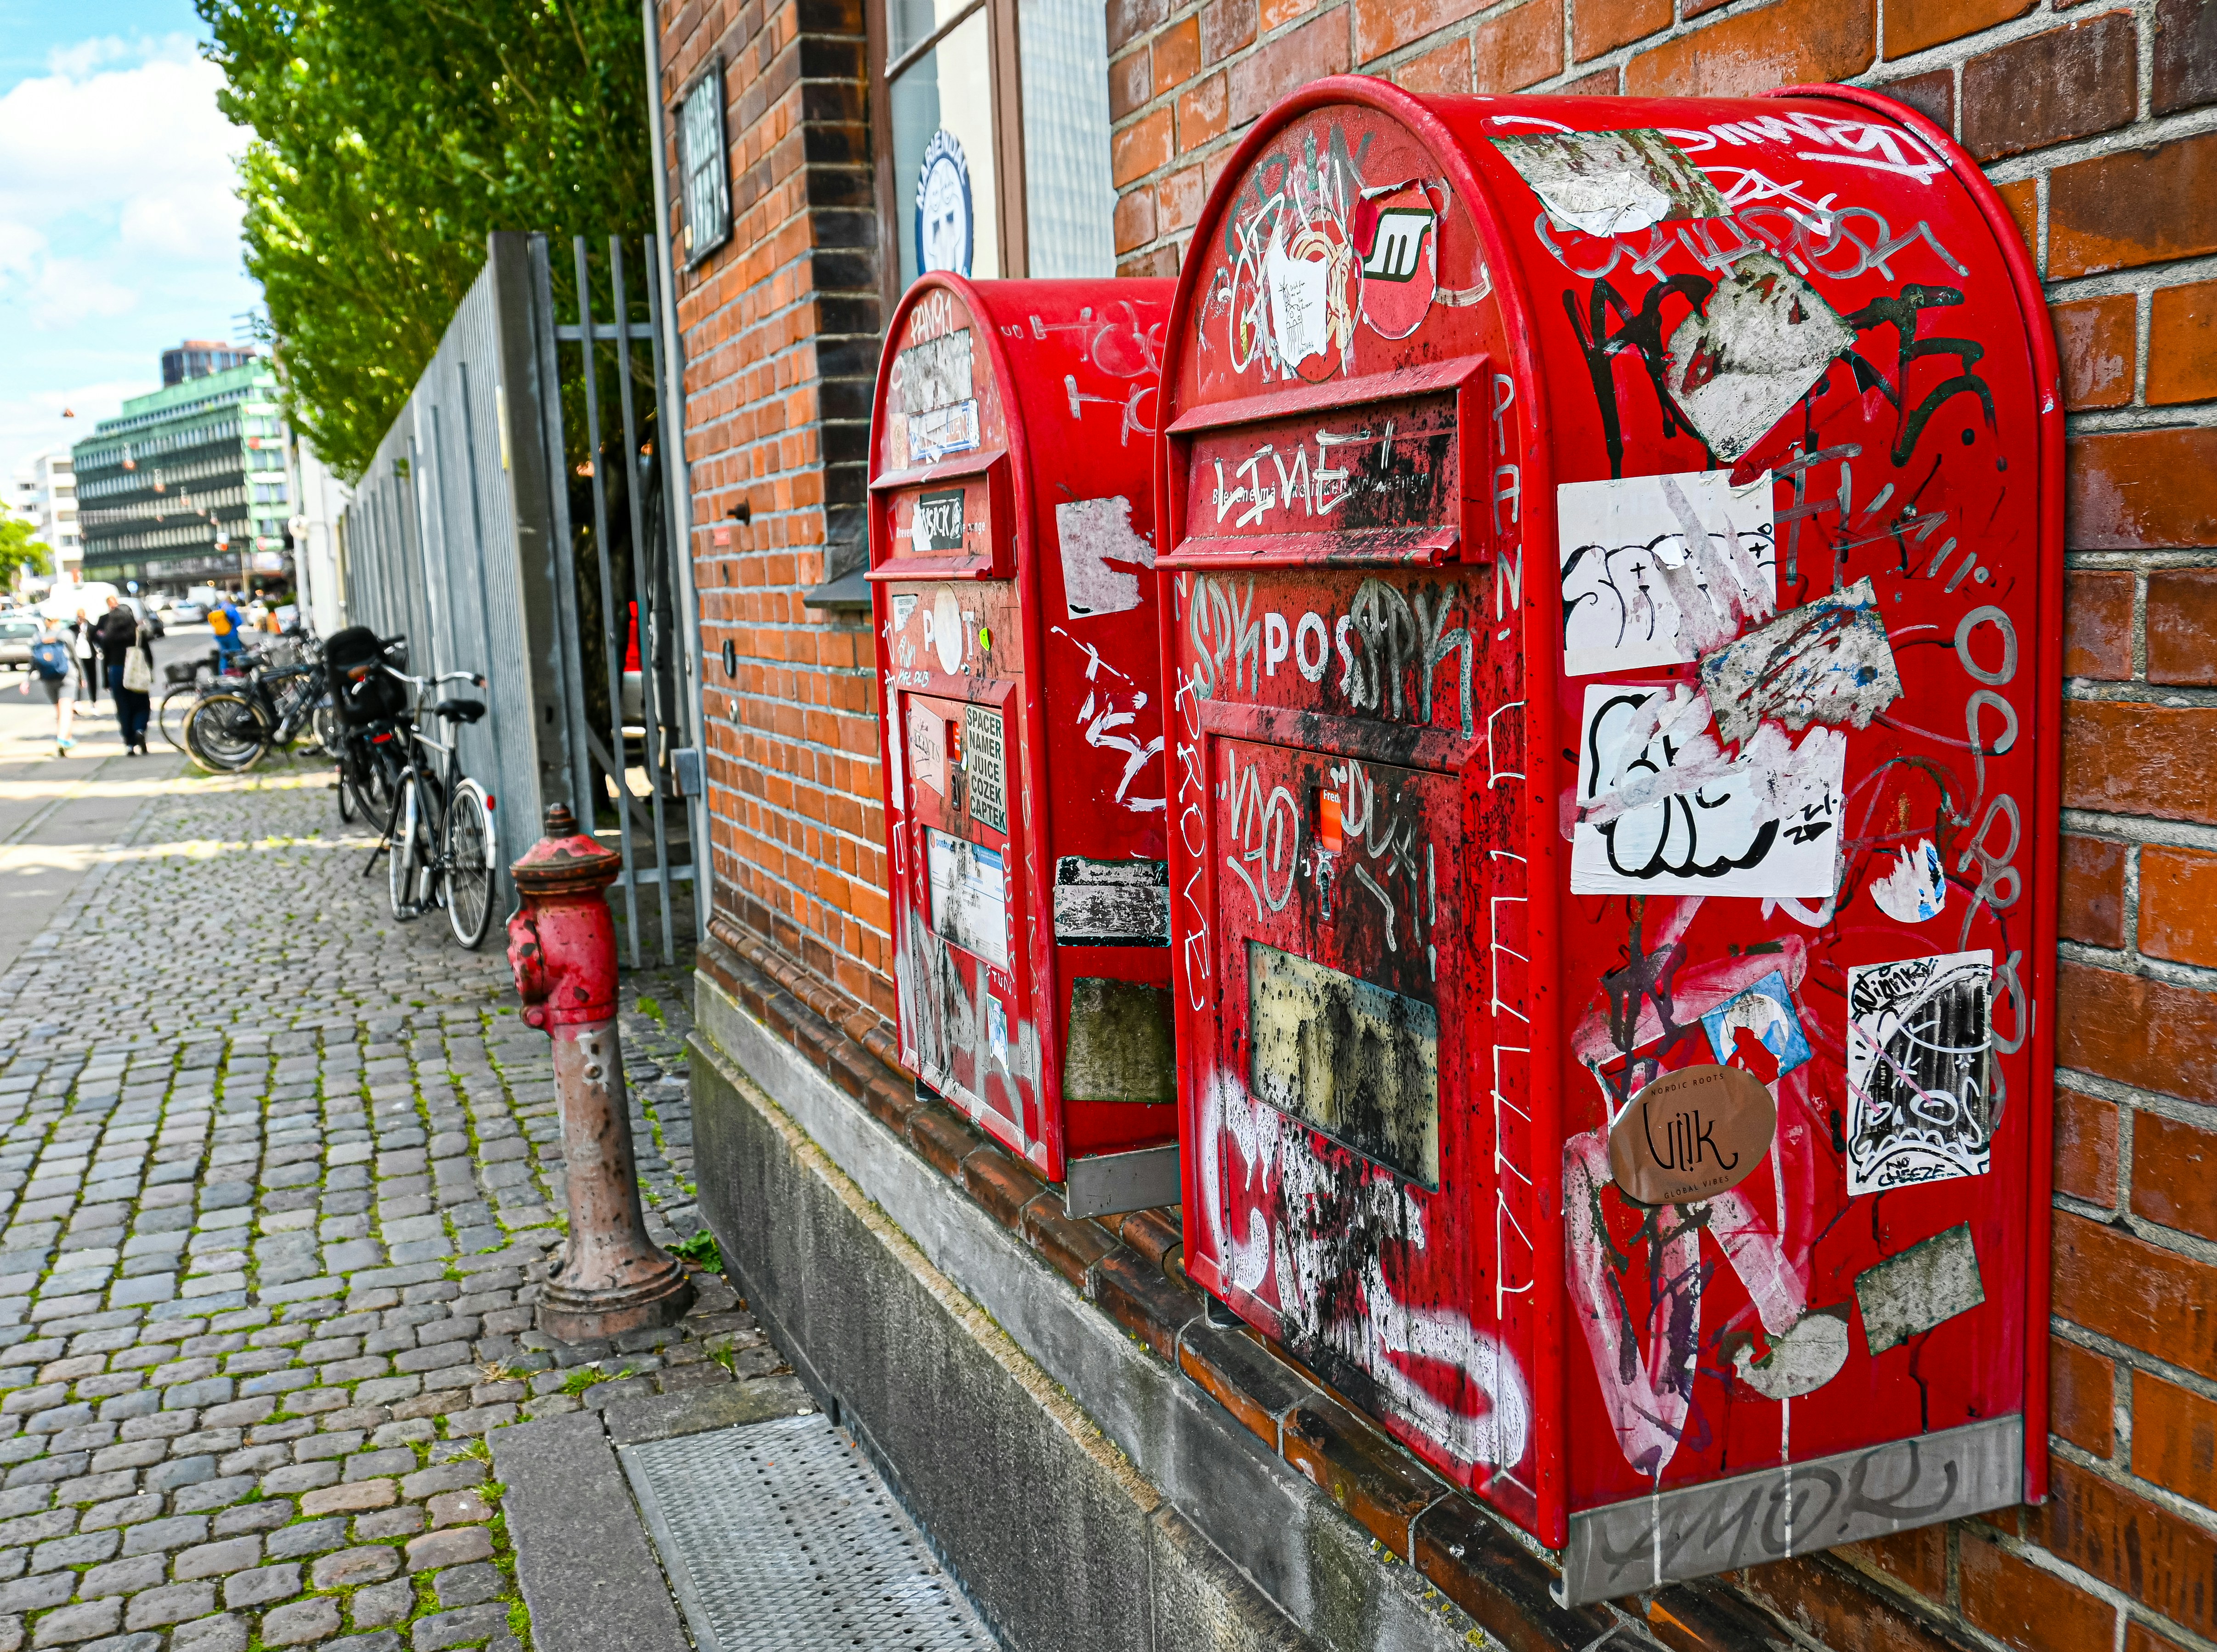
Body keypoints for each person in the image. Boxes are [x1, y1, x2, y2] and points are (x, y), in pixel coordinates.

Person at [96, 596, 150, 755]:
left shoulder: (108, 636)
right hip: (135, 671)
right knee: (142, 704)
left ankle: (129, 743)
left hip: (116, 672)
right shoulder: (137, 634)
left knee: (123, 708)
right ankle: (140, 729)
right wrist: (150, 672)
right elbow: (148, 654)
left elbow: (105, 659)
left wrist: (106, 681)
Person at [22, 618, 75, 756]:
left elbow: (34, 660)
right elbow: (74, 657)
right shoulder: (65, 634)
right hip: (67, 676)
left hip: (48, 678)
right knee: (66, 710)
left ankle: (66, 739)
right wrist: (81, 676)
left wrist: (27, 679)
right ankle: (62, 739)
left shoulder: (38, 638)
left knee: (59, 711)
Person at [72, 609, 100, 703]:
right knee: (76, 678)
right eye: (79, 617)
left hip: (89, 655)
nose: (81, 619)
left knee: (92, 678)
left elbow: (97, 640)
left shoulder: (91, 627)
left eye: (82, 616)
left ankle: (94, 700)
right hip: (77, 656)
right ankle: (77, 701)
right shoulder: (73, 628)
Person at [210, 592, 245, 665]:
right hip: (231, 635)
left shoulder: (219, 608)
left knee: (224, 655)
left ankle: (223, 672)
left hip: (219, 635)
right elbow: (239, 622)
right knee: (236, 654)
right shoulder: (231, 608)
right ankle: (237, 672)